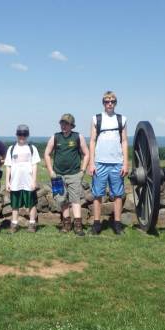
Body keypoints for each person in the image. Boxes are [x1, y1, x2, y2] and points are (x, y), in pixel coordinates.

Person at [88, 91, 129, 235]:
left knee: (118, 195)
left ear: (116, 103)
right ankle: (97, 224)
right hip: (100, 162)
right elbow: (92, 141)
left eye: (112, 101)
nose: (110, 104)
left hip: (117, 162)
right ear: (103, 103)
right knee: (97, 194)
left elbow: (124, 141)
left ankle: (117, 225)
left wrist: (125, 163)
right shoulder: (96, 118)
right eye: (107, 101)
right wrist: (91, 163)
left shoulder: (121, 119)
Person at [44, 113, 89, 236]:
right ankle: (66, 224)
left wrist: (82, 171)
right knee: (61, 199)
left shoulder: (78, 137)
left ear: (71, 125)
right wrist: (51, 172)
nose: (64, 125)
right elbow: (47, 154)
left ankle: (78, 226)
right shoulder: (55, 137)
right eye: (62, 123)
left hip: (74, 174)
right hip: (57, 175)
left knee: (75, 200)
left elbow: (86, 153)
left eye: (66, 123)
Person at [4, 124, 41, 233]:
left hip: (28, 181)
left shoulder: (32, 148)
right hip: (15, 182)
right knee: (15, 205)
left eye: (24, 134)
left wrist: (34, 181)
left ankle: (32, 223)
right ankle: (14, 224)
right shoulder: (11, 149)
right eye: (20, 134)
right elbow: (8, 166)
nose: (22, 136)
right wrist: (7, 182)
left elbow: (34, 165)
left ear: (27, 135)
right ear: (16, 134)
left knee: (31, 204)